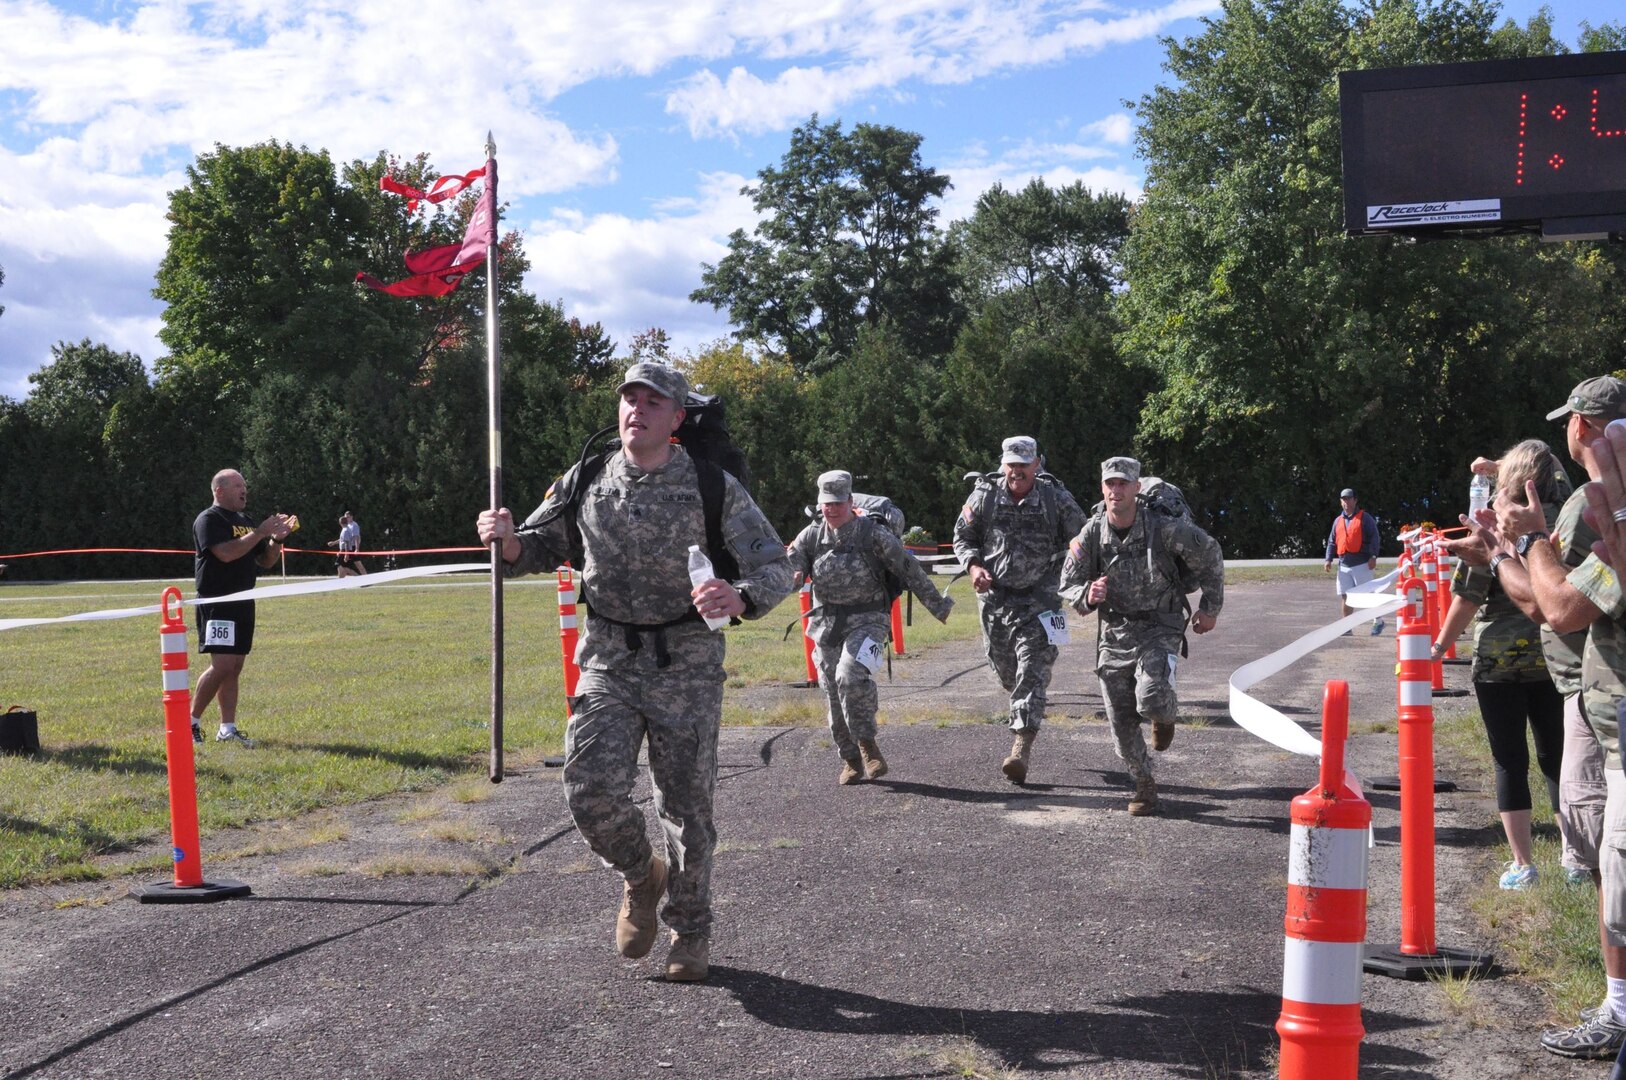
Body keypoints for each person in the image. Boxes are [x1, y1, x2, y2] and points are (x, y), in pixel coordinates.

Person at [475, 362, 792, 983]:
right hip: (608, 659)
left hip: (688, 664)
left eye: (653, 401)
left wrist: (741, 597)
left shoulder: (711, 485)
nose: (636, 410)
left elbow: (775, 566)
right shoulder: (587, 476)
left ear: (676, 418)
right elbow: (538, 548)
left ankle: (691, 932)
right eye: (629, 399)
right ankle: (640, 874)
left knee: (686, 806)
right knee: (588, 791)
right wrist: (508, 541)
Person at [1483, 382, 1626, 1060]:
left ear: (1585, 429)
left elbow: (1559, 607)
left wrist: (1525, 544)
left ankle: (1619, 1012)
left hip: (1610, 717)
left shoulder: (1601, 519)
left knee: (1609, 862)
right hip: (1599, 705)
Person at [1433, 440, 1567, 892]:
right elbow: (1564, 473)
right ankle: (1573, 857)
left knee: (1509, 760)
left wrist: (1439, 646)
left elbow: (1467, 597)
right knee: (1558, 757)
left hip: (1496, 662)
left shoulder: (1494, 529)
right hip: (1554, 655)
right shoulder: (1562, 519)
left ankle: (1523, 863)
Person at [1059, 457, 1224, 816]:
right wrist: (1088, 594)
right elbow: (1067, 583)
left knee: (1150, 697)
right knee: (1120, 721)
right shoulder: (1091, 532)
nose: (1116, 491)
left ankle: (1164, 716)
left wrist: (1210, 608)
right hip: (1115, 632)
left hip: (1160, 625)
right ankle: (1144, 783)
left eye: (1123, 484)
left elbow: (1210, 552)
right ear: (1102, 489)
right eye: (1110, 484)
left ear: (1137, 488)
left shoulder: (1164, 528)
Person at [789, 470, 954, 785]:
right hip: (825, 626)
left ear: (850, 502)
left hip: (869, 622)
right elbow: (790, 567)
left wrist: (938, 605)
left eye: (838, 503)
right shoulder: (810, 536)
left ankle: (867, 744)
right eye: (826, 504)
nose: (832, 509)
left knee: (850, 676)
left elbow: (909, 570)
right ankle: (850, 759)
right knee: (833, 696)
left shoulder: (872, 535)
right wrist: (790, 578)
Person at [952, 436, 1087, 784]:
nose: (1017, 471)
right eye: (1012, 464)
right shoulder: (985, 495)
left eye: (1024, 465)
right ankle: (1029, 695)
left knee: (1032, 669)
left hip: (1040, 599)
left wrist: (1079, 579)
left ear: (1037, 464)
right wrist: (973, 567)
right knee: (1007, 671)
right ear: (1004, 464)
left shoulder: (1056, 499)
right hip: (996, 599)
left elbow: (1084, 539)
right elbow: (962, 536)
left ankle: (1020, 747)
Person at [190, 469, 293, 748]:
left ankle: (227, 728)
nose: (244, 490)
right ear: (219, 490)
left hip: (243, 600)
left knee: (234, 667)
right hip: (217, 601)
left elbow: (266, 561)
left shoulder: (246, 521)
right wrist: (260, 532)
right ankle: (190, 722)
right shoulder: (209, 519)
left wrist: (276, 540)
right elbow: (225, 553)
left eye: (244, 486)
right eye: (237, 486)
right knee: (221, 665)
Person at [1323, 487, 1383, 635]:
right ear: (1340, 502)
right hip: (1343, 565)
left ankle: (1378, 621)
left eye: (1349, 499)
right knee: (1345, 596)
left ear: (1355, 500)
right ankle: (1347, 627)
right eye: (1343, 499)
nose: (1346, 502)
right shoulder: (1338, 521)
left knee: (1367, 595)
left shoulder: (1365, 518)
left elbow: (1374, 538)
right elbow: (1332, 542)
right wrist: (1328, 559)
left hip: (1362, 563)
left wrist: (1373, 556)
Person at [327, 510, 367, 577]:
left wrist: (357, 549)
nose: (346, 518)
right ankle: (342, 582)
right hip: (349, 548)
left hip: (353, 547)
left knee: (358, 565)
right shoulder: (347, 526)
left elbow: (357, 537)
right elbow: (344, 539)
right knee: (344, 567)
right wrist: (334, 543)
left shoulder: (354, 525)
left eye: (348, 517)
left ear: (352, 517)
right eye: (345, 517)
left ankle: (366, 580)